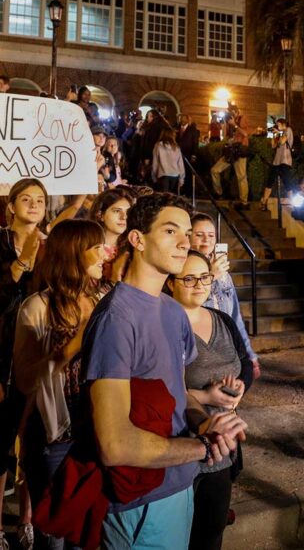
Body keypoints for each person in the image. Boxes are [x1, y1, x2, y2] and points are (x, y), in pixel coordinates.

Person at [79, 192, 246, 548]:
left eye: (187, 232)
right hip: (139, 501)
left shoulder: (172, 312)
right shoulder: (116, 319)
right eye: (171, 231)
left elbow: (175, 392)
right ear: (138, 239)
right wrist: (200, 447)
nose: (186, 242)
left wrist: (205, 422)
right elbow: (114, 444)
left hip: (179, 487)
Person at [14, 219, 112, 550]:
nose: (105, 253)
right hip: (58, 437)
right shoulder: (37, 307)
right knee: (55, 537)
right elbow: (26, 379)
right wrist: (74, 344)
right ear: (73, 252)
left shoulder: (107, 297)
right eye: (96, 247)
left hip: (101, 431)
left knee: (90, 534)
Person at [0, 178, 48, 550]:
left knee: (32, 443)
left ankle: (28, 520)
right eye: (26, 199)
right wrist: (20, 264)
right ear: (12, 206)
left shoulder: (51, 247)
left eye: (40, 200)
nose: (34, 205)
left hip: (36, 356)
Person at [169, 250, 253, 550]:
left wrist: (239, 388)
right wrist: (205, 396)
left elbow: (243, 362)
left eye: (204, 276)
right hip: (181, 446)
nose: (199, 284)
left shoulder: (221, 319)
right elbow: (162, 386)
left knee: (211, 532)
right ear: (172, 283)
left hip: (220, 453)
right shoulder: (166, 326)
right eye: (189, 278)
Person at [190, 213, 260, 378]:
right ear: (188, 236)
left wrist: (249, 353)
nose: (206, 240)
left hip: (227, 349)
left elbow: (235, 316)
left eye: (211, 235)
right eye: (199, 235)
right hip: (201, 352)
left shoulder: (224, 275)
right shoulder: (183, 272)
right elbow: (191, 308)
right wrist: (210, 277)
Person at [210, 129, 249, 206]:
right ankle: (219, 193)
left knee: (241, 177)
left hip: (240, 152)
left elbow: (246, 133)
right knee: (214, 170)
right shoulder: (230, 122)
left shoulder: (241, 119)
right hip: (231, 152)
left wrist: (235, 124)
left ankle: (244, 201)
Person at [151, 128, 185, 194]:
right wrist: (182, 178)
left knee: (164, 199)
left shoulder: (158, 146)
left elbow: (155, 163)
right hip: (175, 176)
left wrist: (154, 177)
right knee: (173, 200)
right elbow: (180, 164)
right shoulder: (176, 147)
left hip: (163, 175)